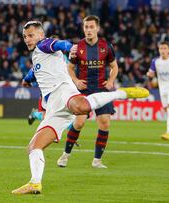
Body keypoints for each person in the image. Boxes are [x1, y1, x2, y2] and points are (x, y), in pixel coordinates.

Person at [12, 20, 149, 195]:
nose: (27, 39)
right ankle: (35, 183)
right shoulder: (38, 57)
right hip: (53, 107)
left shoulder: (44, 44)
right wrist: (26, 79)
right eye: (25, 36)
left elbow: (59, 44)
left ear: (40, 35)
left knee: (82, 107)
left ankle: (121, 94)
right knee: (33, 147)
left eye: (31, 35)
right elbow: (33, 73)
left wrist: (70, 47)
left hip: (63, 90)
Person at [57, 15, 118, 169]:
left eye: (92, 27)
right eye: (86, 27)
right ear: (83, 29)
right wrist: (76, 81)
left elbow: (114, 67)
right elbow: (69, 68)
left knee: (105, 123)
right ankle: (65, 155)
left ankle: (97, 161)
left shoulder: (106, 46)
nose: (89, 30)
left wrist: (110, 81)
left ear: (97, 28)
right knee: (79, 122)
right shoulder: (77, 48)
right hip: (83, 90)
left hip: (102, 90)